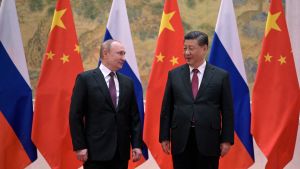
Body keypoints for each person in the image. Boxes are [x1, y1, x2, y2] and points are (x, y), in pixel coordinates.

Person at [159, 31, 234, 169]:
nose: (187, 52)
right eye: (185, 48)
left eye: (191, 48)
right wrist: (164, 136)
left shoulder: (220, 76)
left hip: (209, 139)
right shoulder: (174, 75)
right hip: (181, 138)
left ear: (204, 48)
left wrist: (227, 140)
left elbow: (228, 111)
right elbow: (167, 108)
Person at [69, 39, 142, 169]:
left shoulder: (128, 83)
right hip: (95, 151)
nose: (123, 58)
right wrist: (80, 146)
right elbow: (75, 115)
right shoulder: (85, 79)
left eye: (124, 54)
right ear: (105, 53)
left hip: (121, 153)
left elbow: (134, 117)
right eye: (120, 53)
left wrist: (136, 144)